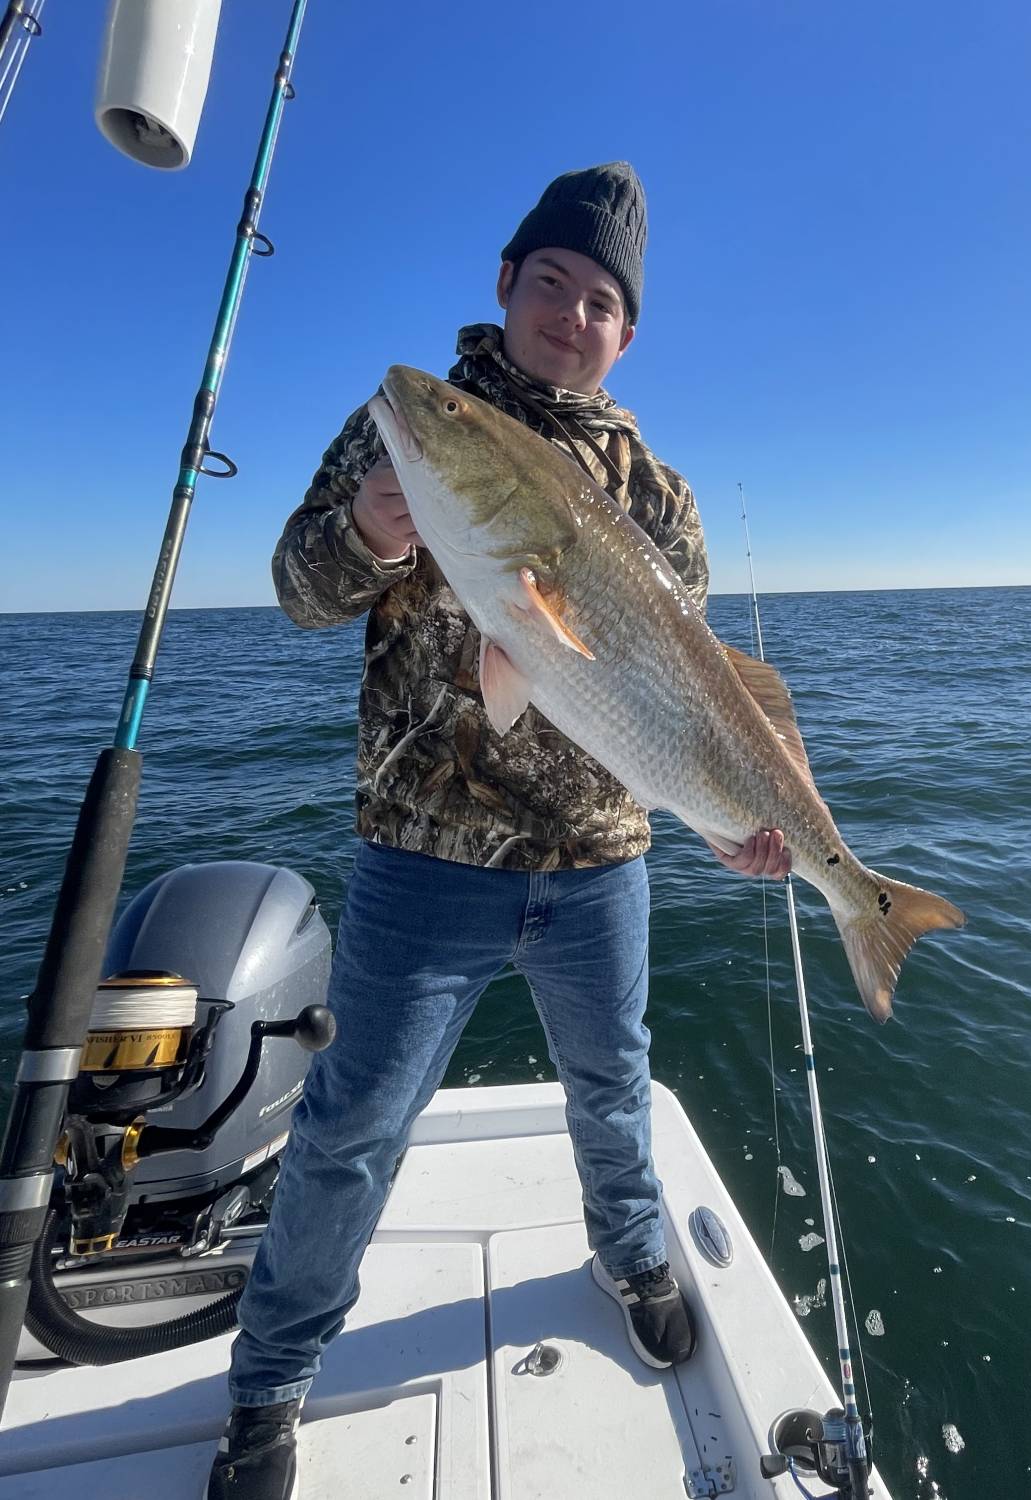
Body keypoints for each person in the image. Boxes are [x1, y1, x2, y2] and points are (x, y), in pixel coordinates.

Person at [206, 162, 790, 1500]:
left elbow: (672, 695)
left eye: (600, 302)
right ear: (506, 284)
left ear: (625, 332)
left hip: (600, 860)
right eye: (552, 284)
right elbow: (301, 590)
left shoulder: (659, 489)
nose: (571, 316)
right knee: (352, 1128)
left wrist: (729, 824)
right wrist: (364, 531)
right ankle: (270, 1384)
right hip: (424, 857)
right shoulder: (415, 420)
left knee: (614, 1092)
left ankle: (631, 1252)